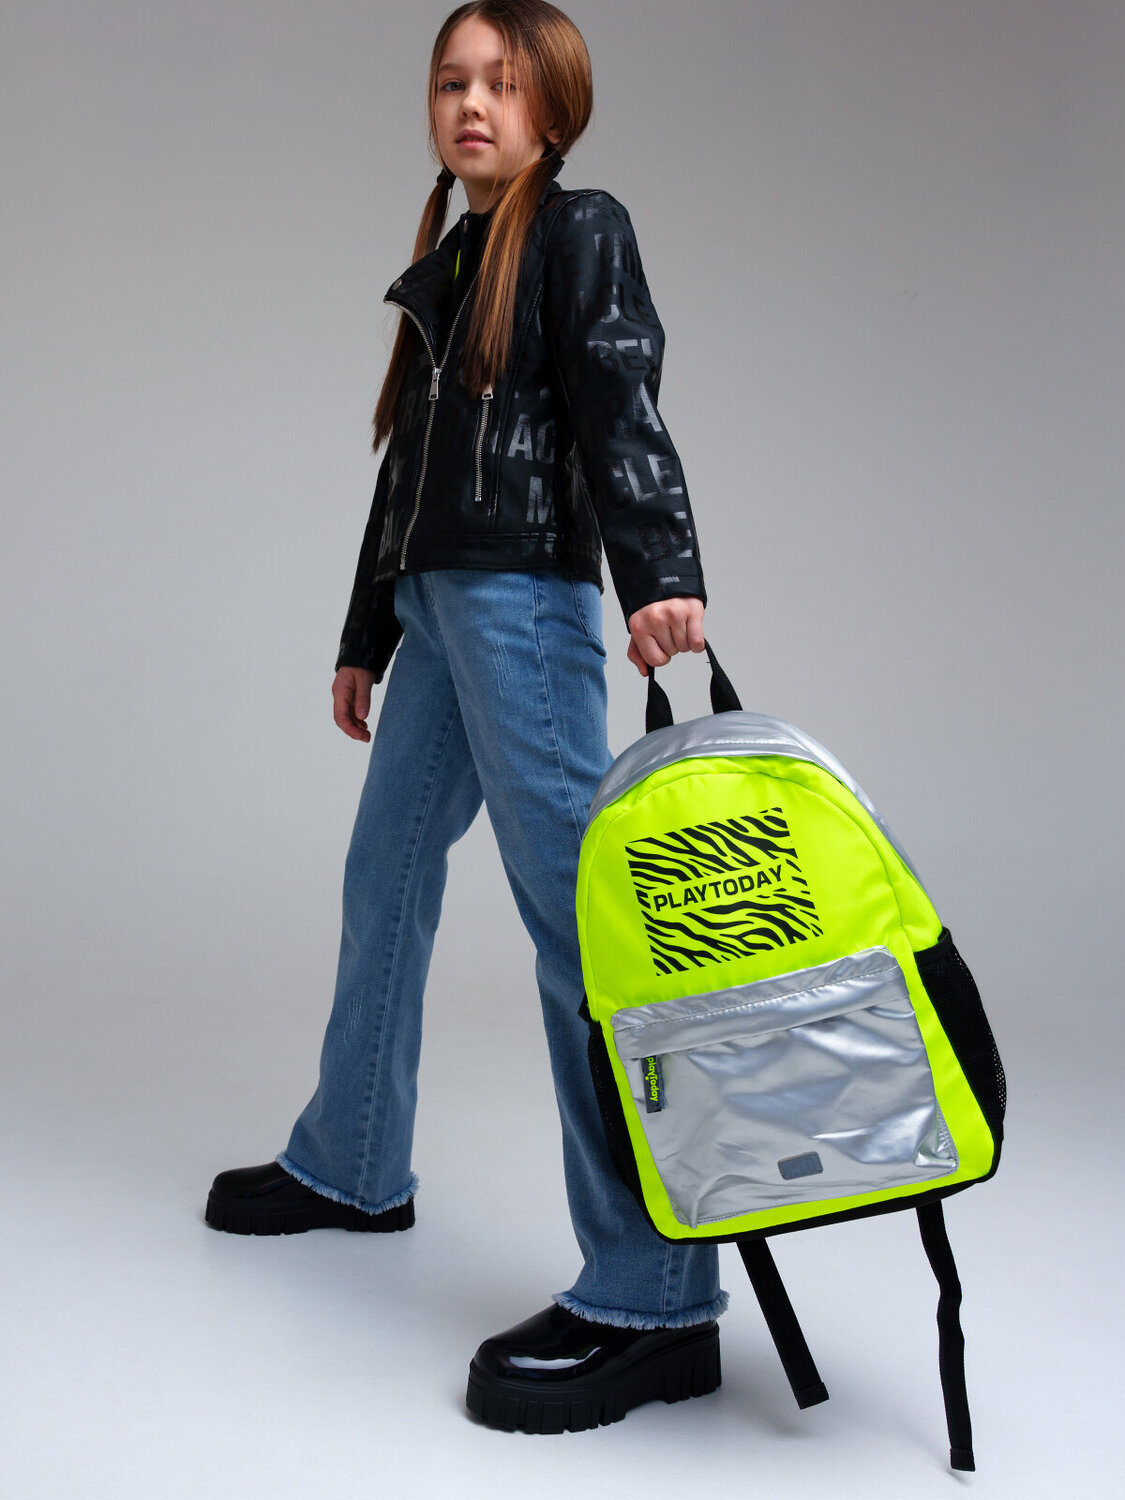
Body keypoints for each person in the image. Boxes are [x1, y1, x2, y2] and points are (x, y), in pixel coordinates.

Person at [205, 0, 726, 1432]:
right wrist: (366, 633)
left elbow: (621, 402)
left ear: (555, 108)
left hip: (521, 606)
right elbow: (405, 476)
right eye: (452, 81)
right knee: (384, 874)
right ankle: (353, 1162)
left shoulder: (578, 230)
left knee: (582, 931)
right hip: (438, 608)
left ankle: (656, 1295)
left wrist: (660, 577)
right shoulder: (451, 257)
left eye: (502, 82)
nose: (472, 104)